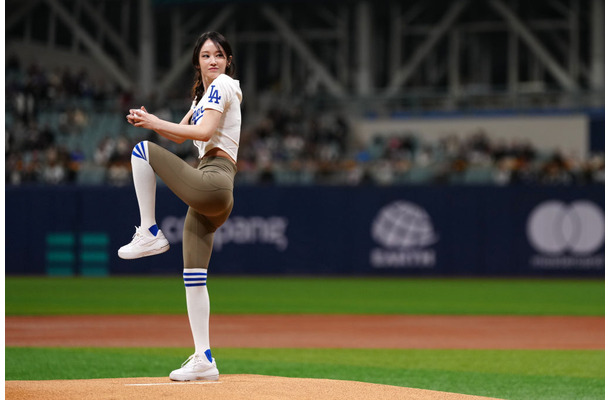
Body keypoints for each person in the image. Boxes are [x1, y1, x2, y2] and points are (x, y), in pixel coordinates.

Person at [118, 31, 242, 381]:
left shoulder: (224, 85)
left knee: (142, 151)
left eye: (219, 54)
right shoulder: (203, 96)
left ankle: (149, 232)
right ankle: (204, 358)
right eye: (206, 55)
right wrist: (154, 120)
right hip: (212, 193)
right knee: (194, 277)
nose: (213, 60)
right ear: (197, 61)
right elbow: (180, 133)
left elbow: (204, 134)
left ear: (228, 60)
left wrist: (154, 125)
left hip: (214, 180)